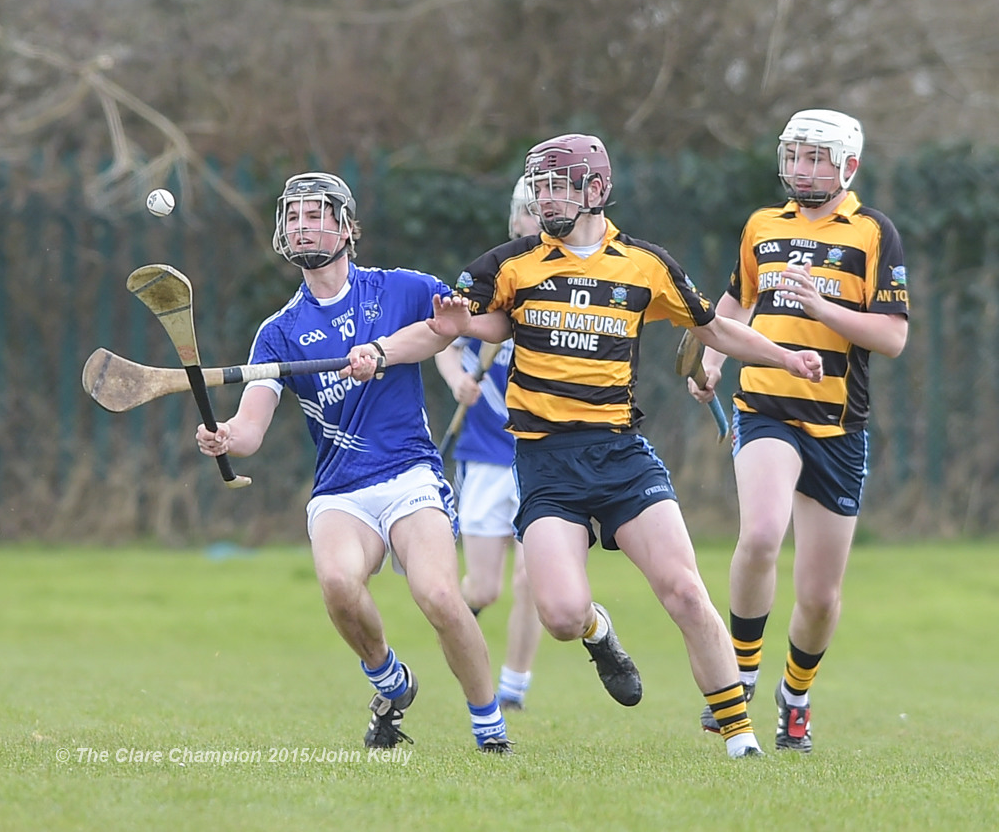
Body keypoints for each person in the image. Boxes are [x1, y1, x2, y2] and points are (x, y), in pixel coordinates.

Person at [348, 134, 826, 759]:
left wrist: (787, 356)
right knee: (562, 615)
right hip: (546, 464)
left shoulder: (644, 265)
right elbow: (451, 328)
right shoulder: (510, 265)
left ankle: (741, 739)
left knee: (684, 589)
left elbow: (715, 328)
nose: (545, 199)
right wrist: (383, 350)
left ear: (595, 190)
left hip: (621, 454)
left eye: (557, 186)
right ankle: (600, 631)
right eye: (538, 187)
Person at [194, 172, 511, 754]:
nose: (301, 226)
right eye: (292, 217)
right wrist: (223, 437)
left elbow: (462, 321)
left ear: (346, 227)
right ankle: (389, 678)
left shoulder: (401, 289)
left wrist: (400, 346)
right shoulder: (279, 332)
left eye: (314, 215)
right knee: (339, 585)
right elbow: (250, 429)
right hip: (341, 488)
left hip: (411, 473)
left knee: (440, 596)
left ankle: (489, 723)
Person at [688, 110, 909, 752]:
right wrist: (711, 359)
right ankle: (742, 674)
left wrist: (821, 308)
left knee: (817, 596)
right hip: (765, 407)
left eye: (817, 158)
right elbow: (734, 303)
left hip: (838, 424)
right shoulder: (762, 226)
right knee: (759, 535)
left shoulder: (874, 234)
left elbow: (893, 338)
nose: (803, 169)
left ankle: (796, 696)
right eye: (796, 155)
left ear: (848, 167)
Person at [433, 177, 543, 711]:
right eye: (525, 211)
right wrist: (457, 380)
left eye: (539, 211)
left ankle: (514, 688)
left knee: (533, 579)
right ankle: (456, 637)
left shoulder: (566, 283)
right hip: (484, 454)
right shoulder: (494, 278)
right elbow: (444, 342)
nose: (532, 220)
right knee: (482, 588)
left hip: (539, 455)